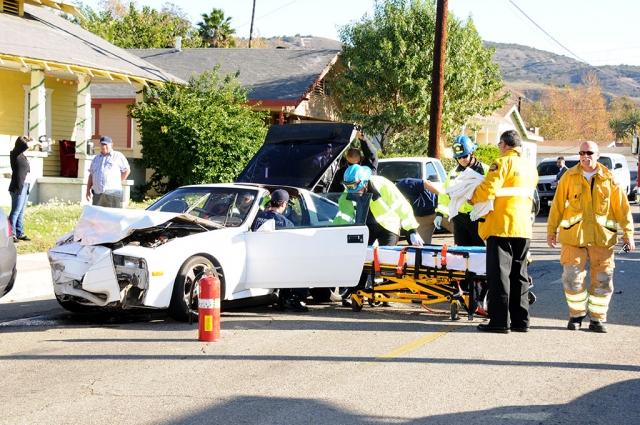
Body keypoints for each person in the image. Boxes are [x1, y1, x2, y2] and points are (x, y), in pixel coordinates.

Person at [547, 141, 635, 333]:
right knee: (572, 277)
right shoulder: (569, 177)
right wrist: (551, 231)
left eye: (589, 152)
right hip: (574, 238)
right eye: (581, 152)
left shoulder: (609, 179)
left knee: (603, 279)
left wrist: (628, 234)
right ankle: (576, 315)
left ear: (597, 155)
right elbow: (557, 206)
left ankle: (597, 319)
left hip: (601, 240)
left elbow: (622, 209)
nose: (585, 156)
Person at [470, 130, 538, 333]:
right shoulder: (530, 168)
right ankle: (521, 321)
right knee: (520, 274)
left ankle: (499, 321)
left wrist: (471, 196)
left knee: (499, 275)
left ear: (505, 145)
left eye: (499, 144)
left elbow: (488, 189)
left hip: (501, 226)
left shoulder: (501, 163)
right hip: (523, 227)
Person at [335, 164, 425, 305]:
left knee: (387, 259)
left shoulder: (383, 185)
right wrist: (335, 235)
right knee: (360, 258)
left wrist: (412, 230)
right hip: (365, 227)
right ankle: (357, 290)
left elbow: (402, 207)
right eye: (350, 188)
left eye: (356, 188)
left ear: (365, 183)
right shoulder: (347, 195)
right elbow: (342, 219)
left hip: (388, 225)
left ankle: (386, 293)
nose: (354, 192)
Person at [251, 189, 308, 312]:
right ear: (284, 204)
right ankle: (295, 299)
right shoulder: (285, 222)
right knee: (303, 264)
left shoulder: (257, 217)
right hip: (277, 262)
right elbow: (294, 245)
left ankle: (281, 295)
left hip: (256, 258)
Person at [435, 136, 488, 247]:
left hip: (478, 218)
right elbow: (445, 194)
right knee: (462, 254)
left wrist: (480, 208)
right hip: (459, 219)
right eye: (459, 158)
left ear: (472, 153)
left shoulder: (486, 170)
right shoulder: (453, 173)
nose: (462, 160)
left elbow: (492, 193)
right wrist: (440, 214)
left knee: (480, 253)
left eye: (464, 156)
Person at [9, 136, 41, 242]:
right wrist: (35, 142)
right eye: (26, 144)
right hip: (18, 186)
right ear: (21, 145)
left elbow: (26, 146)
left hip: (25, 185)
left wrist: (32, 141)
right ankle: (11, 234)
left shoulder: (23, 156)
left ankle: (20, 233)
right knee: (16, 211)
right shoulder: (15, 154)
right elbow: (25, 146)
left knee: (21, 211)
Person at [86, 136, 130, 208]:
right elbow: (91, 175)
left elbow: (127, 170)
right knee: (98, 216)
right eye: (102, 144)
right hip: (98, 193)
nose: (103, 147)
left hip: (112, 193)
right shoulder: (96, 158)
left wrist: (119, 182)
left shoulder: (118, 156)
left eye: (106, 144)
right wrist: (88, 190)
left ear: (111, 145)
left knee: (112, 216)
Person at [395, 178, 441, 245]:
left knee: (460, 232)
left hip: (438, 210)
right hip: (421, 218)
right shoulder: (390, 202)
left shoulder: (405, 184)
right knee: (421, 246)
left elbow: (427, 183)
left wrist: (442, 196)